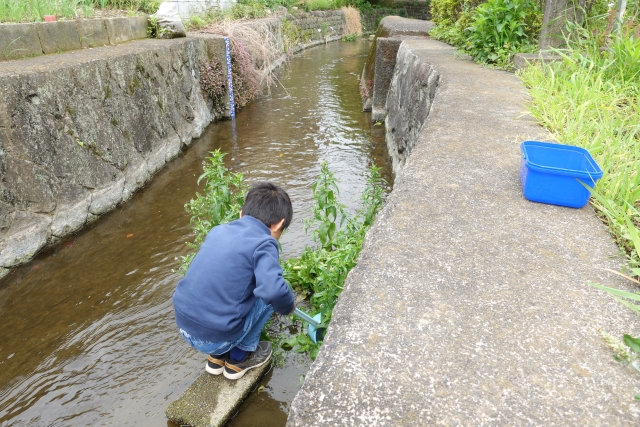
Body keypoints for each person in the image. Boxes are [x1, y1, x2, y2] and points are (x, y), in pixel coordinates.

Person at [172, 182, 295, 380]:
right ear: (279, 224)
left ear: (241, 214)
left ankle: (217, 358)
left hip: (184, 326)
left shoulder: (218, 230)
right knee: (275, 293)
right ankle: (239, 358)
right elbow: (274, 290)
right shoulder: (265, 242)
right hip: (214, 338)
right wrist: (289, 306)